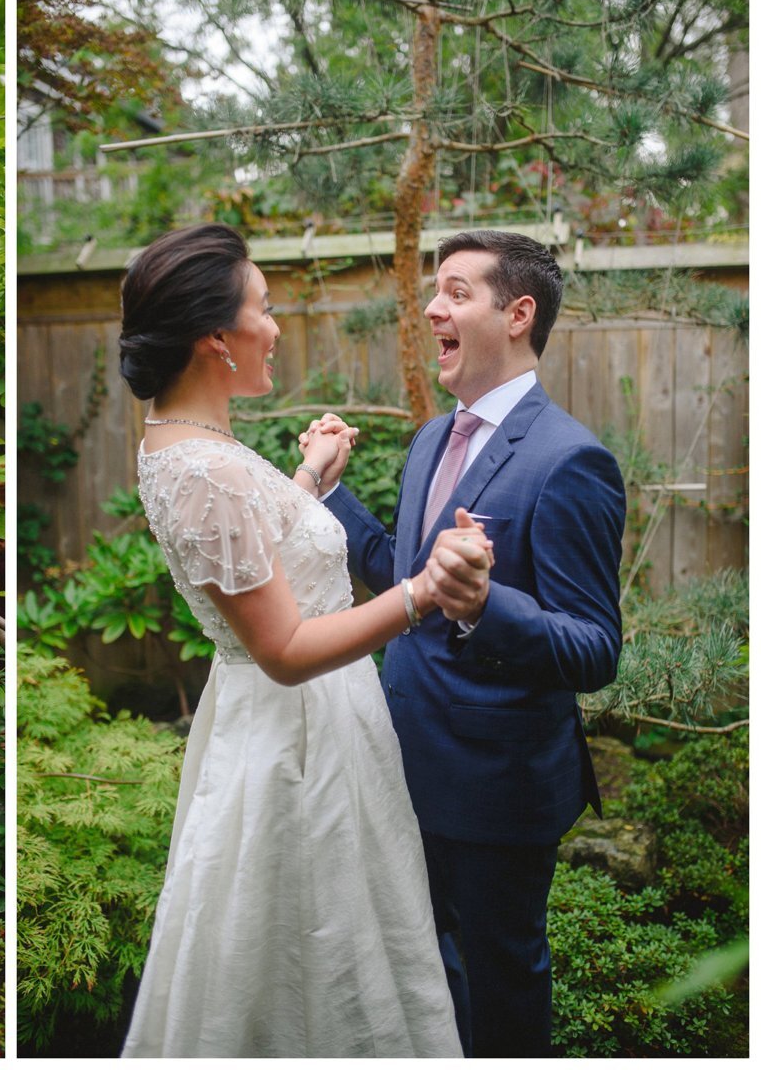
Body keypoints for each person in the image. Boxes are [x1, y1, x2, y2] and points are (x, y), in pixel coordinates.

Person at [116, 223, 492, 1057]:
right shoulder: (204, 468)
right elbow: (282, 648)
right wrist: (421, 591)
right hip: (298, 749)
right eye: (265, 307)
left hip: (300, 730)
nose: (276, 326)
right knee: (315, 955)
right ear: (218, 337)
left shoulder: (189, 446)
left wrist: (308, 482)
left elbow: (256, 561)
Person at [312, 230, 625, 1056]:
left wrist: (489, 606)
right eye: (433, 292)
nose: (431, 308)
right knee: (428, 977)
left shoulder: (571, 461)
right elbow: (404, 580)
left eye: (455, 291)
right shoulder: (428, 439)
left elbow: (595, 648)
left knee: (499, 984)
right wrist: (334, 496)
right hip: (406, 764)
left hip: (498, 789)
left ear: (517, 313)